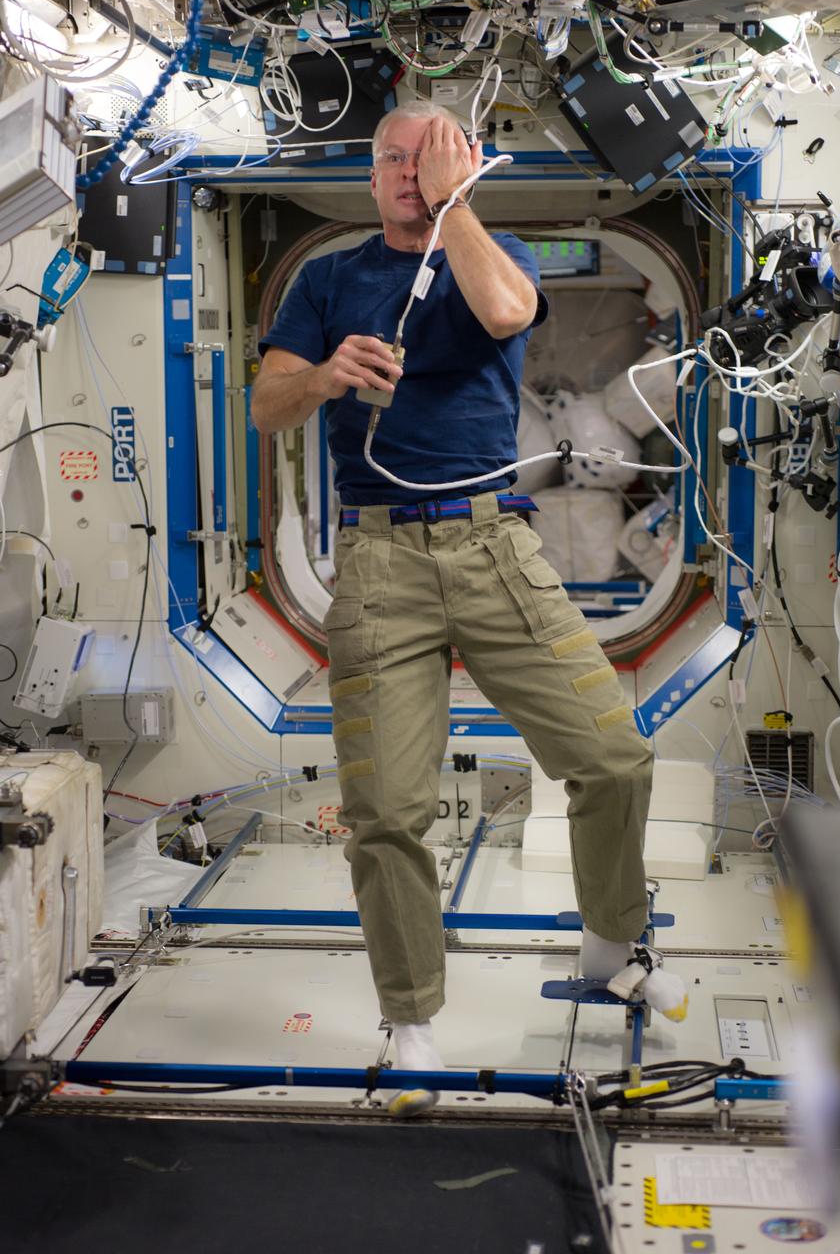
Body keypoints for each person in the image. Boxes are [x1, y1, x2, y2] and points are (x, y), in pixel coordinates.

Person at [252, 99, 686, 1117]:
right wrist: (322, 374)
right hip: (377, 561)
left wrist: (457, 210)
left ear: (457, 168)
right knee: (385, 812)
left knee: (612, 753)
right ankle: (410, 1019)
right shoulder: (327, 279)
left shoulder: (490, 253)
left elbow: (503, 315)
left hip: (492, 543)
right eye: (393, 159)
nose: (409, 172)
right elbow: (268, 400)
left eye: (430, 157)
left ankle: (608, 944)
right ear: (369, 178)